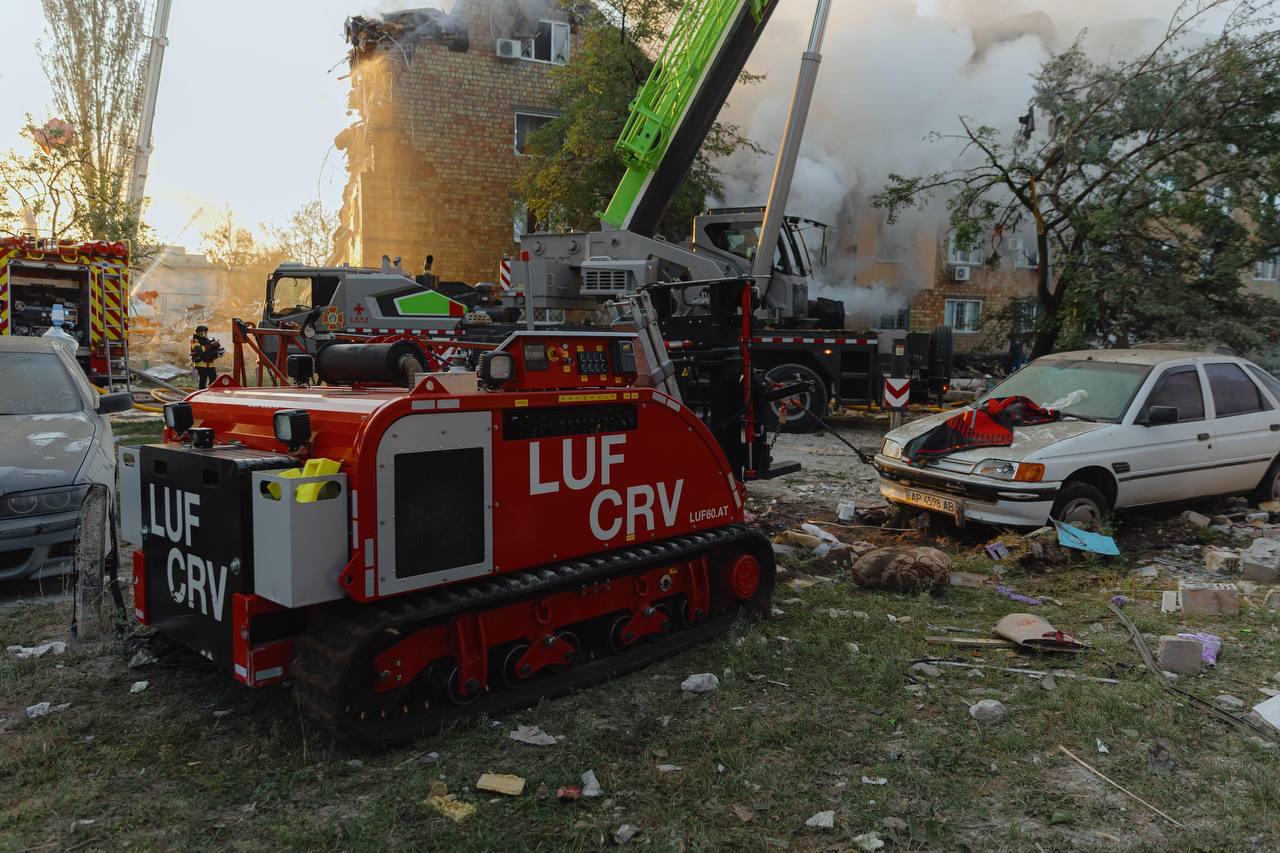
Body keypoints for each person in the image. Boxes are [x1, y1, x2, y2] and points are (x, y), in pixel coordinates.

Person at [190, 324, 223, 389]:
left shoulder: (207, 340)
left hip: (210, 364)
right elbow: (198, 349)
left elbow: (213, 349)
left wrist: (216, 345)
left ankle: (211, 392)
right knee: (203, 380)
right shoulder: (194, 340)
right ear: (199, 333)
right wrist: (210, 346)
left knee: (213, 379)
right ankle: (201, 392)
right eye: (204, 332)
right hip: (201, 364)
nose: (206, 334)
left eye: (206, 332)